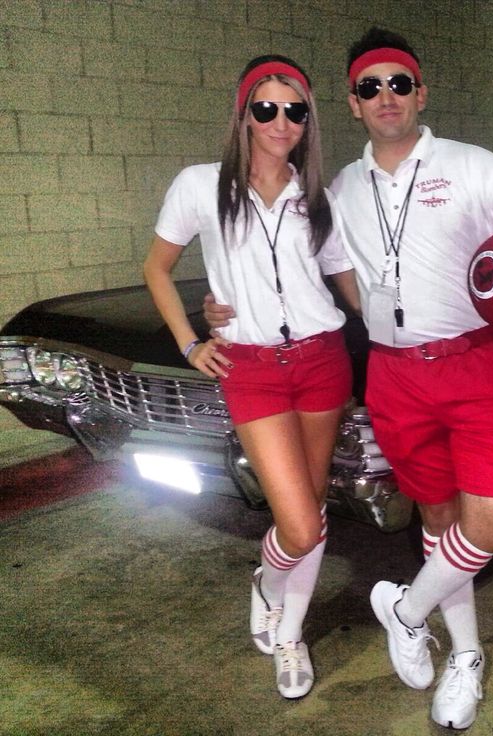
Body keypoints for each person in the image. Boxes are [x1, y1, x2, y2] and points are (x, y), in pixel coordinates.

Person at [204, 29, 493, 729]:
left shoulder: (470, 166)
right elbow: (306, 263)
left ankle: (404, 609)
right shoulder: (341, 188)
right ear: (352, 104)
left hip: (472, 364)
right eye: (370, 87)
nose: (386, 96)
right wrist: (218, 305)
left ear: (420, 93)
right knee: (439, 523)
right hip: (394, 377)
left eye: (399, 83)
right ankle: (464, 658)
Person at [144, 55, 359, 700]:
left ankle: (289, 630)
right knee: (296, 526)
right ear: (243, 115)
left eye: (295, 111)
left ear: (308, 122)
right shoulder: (200, 185)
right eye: (265, 108)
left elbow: (345, 280)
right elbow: (157, 268)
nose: (280, 121)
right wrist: (190, 340)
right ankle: (268, 578)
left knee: (314, 513)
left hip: (323, 361)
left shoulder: (317, 198)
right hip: (253, 370)